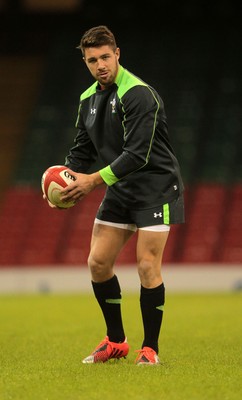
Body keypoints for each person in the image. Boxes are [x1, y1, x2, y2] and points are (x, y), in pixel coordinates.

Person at [45, 25, 185, 365]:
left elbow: (137, 155)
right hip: (120, 189)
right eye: (92, 60)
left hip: (156, 187)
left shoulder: (139, 94)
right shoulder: (87, 100)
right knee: (97, 263)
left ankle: (149, 349)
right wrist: (64, 183)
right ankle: (117, 341)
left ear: (117, 54)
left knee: (147, 266)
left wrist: (92, 181)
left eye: (105, 57)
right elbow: (81, 153)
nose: (100, 65)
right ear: (86, 61)